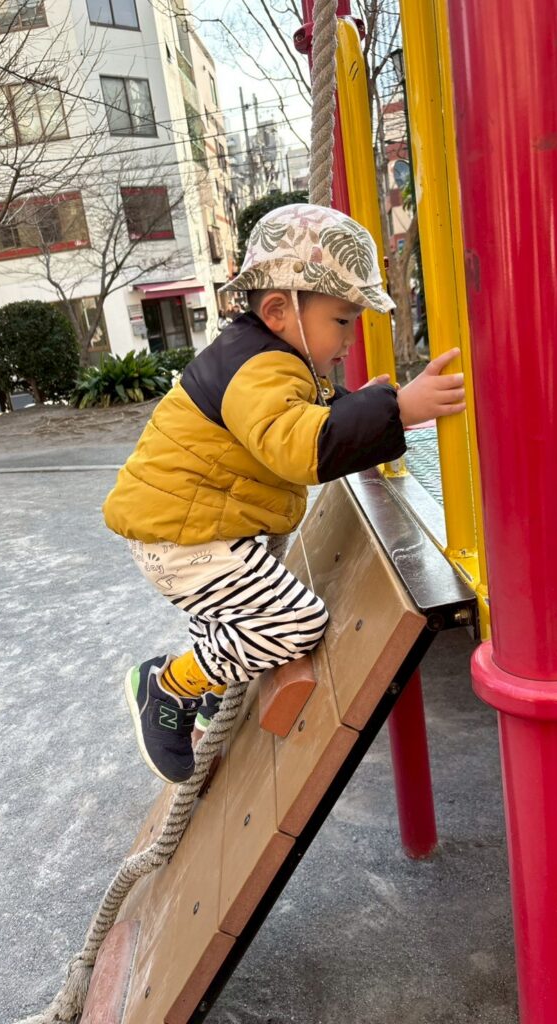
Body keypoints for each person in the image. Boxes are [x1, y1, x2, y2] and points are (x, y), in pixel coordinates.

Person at [102, 204, 465, 784]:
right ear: (278, 310)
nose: (349, 338)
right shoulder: (260, 368)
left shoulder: (265, 358)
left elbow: (303, 416)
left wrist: (362, 407)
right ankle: (169, 686)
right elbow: (300, 446)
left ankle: (207, 688)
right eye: (342, 320)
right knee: (296, 623)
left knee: (237, 616)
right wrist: (394, 409)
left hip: (194, 528)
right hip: (187, 536)